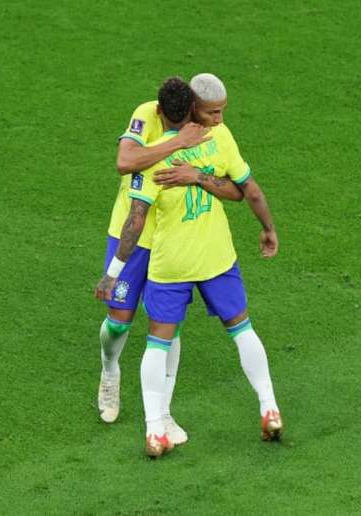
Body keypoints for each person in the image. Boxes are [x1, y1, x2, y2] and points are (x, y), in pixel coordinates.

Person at [95, 73, 283, 457]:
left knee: (167, 329)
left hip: (169, 244)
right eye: (213, 112)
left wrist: (195, 169)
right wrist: (178, 143)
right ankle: (110, 368)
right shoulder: (147, 115)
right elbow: (124, 162)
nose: (219, 119)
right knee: (119, 321)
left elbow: (236, 189)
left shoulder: (215, 134)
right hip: (136, 235)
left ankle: (161, 418)